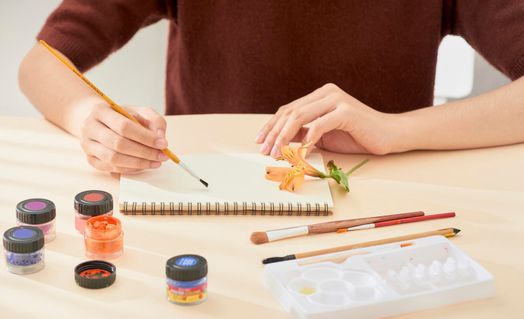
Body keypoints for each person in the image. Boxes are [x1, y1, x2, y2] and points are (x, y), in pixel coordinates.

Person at [19, 1, 524, 174]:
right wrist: (91, 119)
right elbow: (42, 64)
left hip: (380, 216)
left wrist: (392, 130)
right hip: (209, 204)